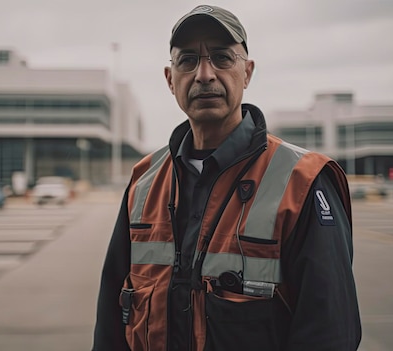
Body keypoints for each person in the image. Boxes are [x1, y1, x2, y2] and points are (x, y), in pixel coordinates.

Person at [93, 4, 361, 351]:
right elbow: (111, 322)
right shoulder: (144, 181)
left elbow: (330, 334)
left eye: (221, 58)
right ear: (169, 78)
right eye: (188, 60)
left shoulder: (303, 182)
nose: (204, 74)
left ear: (247, 73)